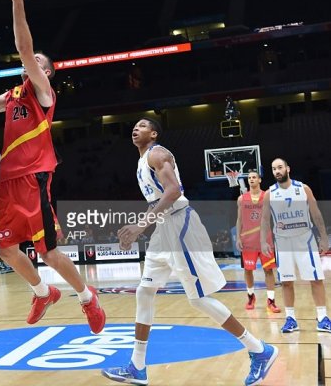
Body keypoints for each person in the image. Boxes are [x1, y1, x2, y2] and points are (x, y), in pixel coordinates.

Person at [100, 118, 277, 386]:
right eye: (134, 125)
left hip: (180, 225)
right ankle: (137, 366)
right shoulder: (141, 162)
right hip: (163, 228)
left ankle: (259, 350)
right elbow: (158, 200)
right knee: (144, 291)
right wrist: (138, 228)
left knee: (198, 299)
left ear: (154, 133)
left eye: (143, 125)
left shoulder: (157, 153)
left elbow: (174, 191)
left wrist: (139, 226)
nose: (136, 128)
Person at [0, 0, 105, 333]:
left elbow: (24, 49)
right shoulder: (12, 96)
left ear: (46, 72)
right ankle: (42, 291)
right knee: (6, 250)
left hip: (34, 179)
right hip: (7, 182)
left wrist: (17, 1)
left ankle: (87, 298)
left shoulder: (44, 96)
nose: (32, 66)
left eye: (39, 65)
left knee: (48, 252)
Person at [261, 158, 331, 333]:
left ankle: (322, 318)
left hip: (305, 239)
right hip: (283, 242)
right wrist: (263, 240)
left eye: (279, 167)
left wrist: (323, 238)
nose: (277, 171)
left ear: (288, 169)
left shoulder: (303, 189)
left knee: (315, 280)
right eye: (273, 169)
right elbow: (264, 219)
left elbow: (316, 214)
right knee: (286, 282)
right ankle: (290, 319)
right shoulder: (270, 193)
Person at [235, 171, 280, 312]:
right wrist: (238, 237)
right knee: (248, 270)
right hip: (248, 240)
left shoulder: (267, 196)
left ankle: (271, 300)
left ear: (260, 180)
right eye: (249, 178)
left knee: (268, 270)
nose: (251, 179)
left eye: (254, 177)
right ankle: (251, 296)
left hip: (265, 240)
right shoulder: (242, 199)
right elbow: (239, 220)